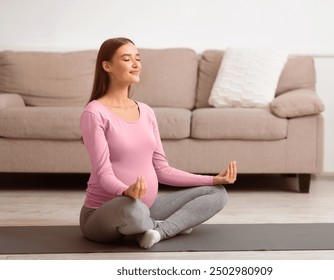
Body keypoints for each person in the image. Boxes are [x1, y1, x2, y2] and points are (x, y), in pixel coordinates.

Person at [79, 37, 237, 249]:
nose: (136, 65)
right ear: (107, 66)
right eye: (127, 59)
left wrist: (212, 179)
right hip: (106, 212)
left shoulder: (146, 111)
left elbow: (162, 170)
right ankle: (169, 226)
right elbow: (103, 174)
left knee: (217, 193)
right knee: (133, 209)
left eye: (138, 58)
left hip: (147, 207)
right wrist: (127, 191)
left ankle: (158, 232)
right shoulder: (94, 113)